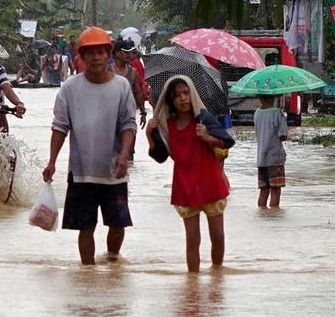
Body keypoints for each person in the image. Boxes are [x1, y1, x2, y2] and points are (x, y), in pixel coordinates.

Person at [42, 26, 137, 265]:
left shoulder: (121, 86)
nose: (96, 58)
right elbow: (60, 127)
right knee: (86, 227)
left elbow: (129, 125)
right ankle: (88, 273)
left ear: (109, 54)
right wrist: (52, 161)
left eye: (101, 52)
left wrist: (125, 155)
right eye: (90, 53)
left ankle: (113, 262)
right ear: (81, 57)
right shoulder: (70, 88)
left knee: (117, 223)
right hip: (81, 171)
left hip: (114, 171)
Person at [145, 75, 235, 272]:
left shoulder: (204, 118)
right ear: (170, 101)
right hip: (185, 187)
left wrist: (208, 137)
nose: (183, 98)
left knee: (218, 236)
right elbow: (160, 156)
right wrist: (149, 136)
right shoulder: (166, 126)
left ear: (192, 94)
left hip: (210, 184)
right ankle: (192, 282)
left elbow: (226, 142)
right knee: (192, 240)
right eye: (177, 95)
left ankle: (217, 275)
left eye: (186, 93)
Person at [254, 95, 287, 208]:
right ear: (275, 96)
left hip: (261, 159)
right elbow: (283, 135)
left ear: (260, 98)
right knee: (276, 189)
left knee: (264, 190)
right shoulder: (277, 113)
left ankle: (262, 215)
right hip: (275, 158)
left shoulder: (257, 113)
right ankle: (274, 217)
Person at [112, 39, 147, 129]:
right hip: (110, 117)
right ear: (117, 53)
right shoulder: (107, 71)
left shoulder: (133, 72)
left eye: (131, 53)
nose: (130, 55)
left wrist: (143, 112)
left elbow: (138, 93)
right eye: (126, 53)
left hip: (128, 116)